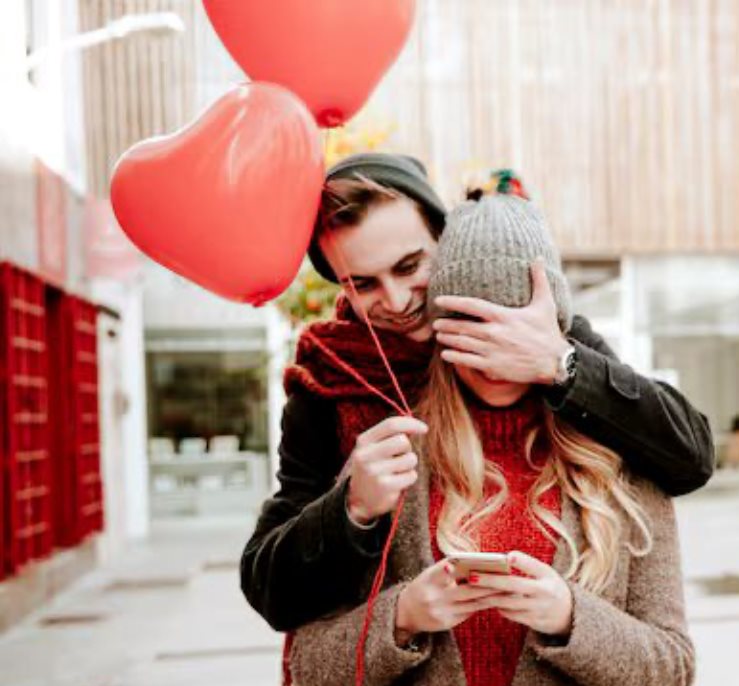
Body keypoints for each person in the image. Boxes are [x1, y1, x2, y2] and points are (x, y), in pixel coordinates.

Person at [288, 183, 694, 686]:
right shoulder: (389, 456)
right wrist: (401, 616)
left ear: (550, 327)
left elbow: (669, 679)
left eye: (510, 326)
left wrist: (569, 617)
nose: (493, 352)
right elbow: (316, 673)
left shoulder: (621, 458)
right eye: (470, 324)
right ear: (438, 327)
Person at [241, 154, 712, 632]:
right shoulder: (329, 380)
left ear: (444, 243)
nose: (398, 300)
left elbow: (690, 456)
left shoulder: (529, 325)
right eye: (363, 284)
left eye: (409, 267)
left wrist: (560, 364)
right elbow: (270, 590)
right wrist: (351, 509)